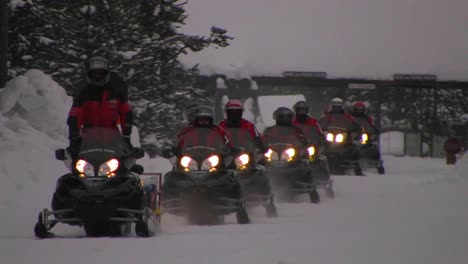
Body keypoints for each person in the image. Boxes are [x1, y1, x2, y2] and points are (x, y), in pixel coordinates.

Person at [67, 56, 134, 160]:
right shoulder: (83, 94)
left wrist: (126, 137)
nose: (98, 77)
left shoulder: (116, 92)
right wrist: (74, 140)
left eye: (101, 73)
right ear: (89, 75)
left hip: (113, 139)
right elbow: (74, 117)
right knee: (75, 169)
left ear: (107, 74)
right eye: (95, 74)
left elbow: (126, 114)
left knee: (126, 165)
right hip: (88, 140)